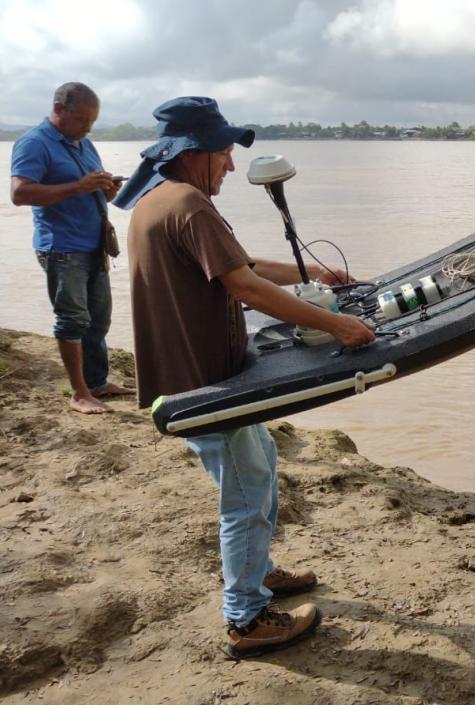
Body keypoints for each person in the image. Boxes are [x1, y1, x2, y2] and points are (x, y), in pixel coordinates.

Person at [113, 96, 376, 657]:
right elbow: (247, 289)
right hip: (206, 381)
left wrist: (318, 273)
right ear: (194, 153)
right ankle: (247, 618)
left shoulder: (161, 200)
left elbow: (243, 266)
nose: (231, 165)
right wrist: (339, 325)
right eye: (225, 153)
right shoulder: (189, 203)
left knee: (259, 467)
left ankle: (261, 573)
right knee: (245, 492)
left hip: (198, 372)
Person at [9, 82, 133, 413]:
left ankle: (97, 383)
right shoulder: (34, 143)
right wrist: (79, 186)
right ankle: (79, 394)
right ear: (59, 108)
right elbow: (19, 194)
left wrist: (105, 189)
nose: (87, 128)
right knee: (72, 320)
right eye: (82, 120)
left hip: (95, 246)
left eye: (92, 122)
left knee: (99, 319)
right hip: (62, 247)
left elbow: (90, 188)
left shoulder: (84, 143)